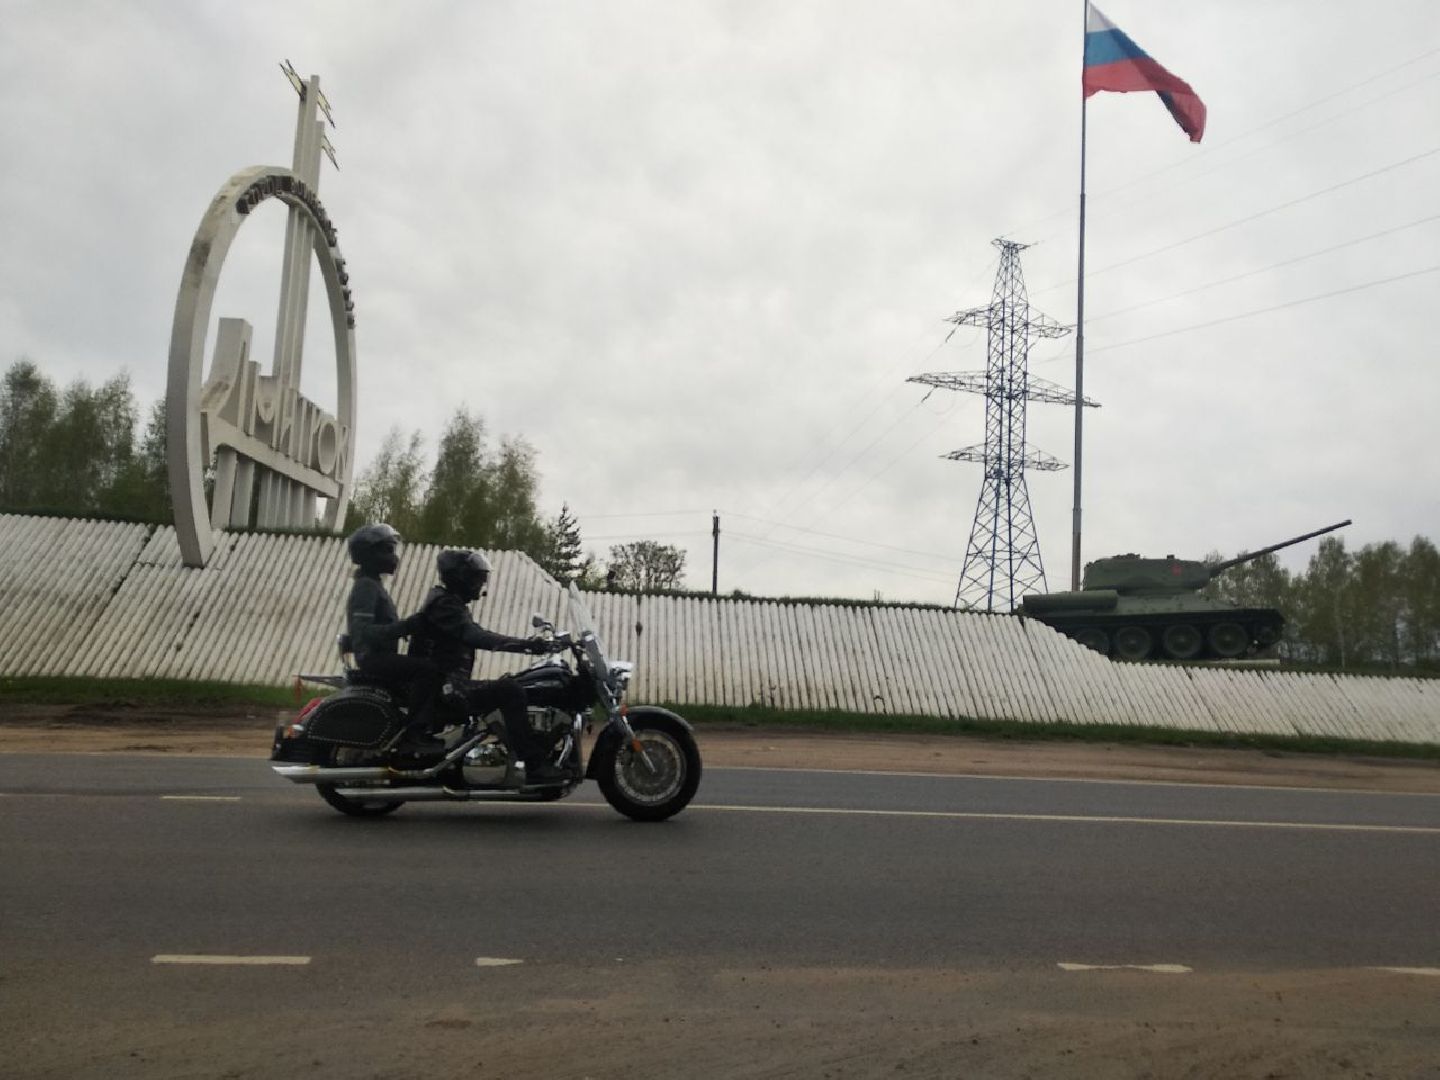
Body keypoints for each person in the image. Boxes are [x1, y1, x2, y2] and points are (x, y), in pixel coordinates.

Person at [407, 549, 566, 781]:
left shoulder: (449, 603)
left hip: (447, 683)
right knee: (510, 690)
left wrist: (529, 644)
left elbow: (475, 631)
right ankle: (534, 765)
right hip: (446, 688)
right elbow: (475, 636)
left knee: (511, 684)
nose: (481, 584)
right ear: (461, 578)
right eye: (476, 578)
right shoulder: (444, 605)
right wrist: (526, 646)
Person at [343, 523, 445, 757]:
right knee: (428, 671)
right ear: (369, 554)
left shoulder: (373, 584)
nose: (394, 557)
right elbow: (363, 631)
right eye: (388, 550)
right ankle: (414, 735)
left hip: (379, 655)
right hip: (373, 658)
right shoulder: (366, 587)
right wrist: (406, 626)